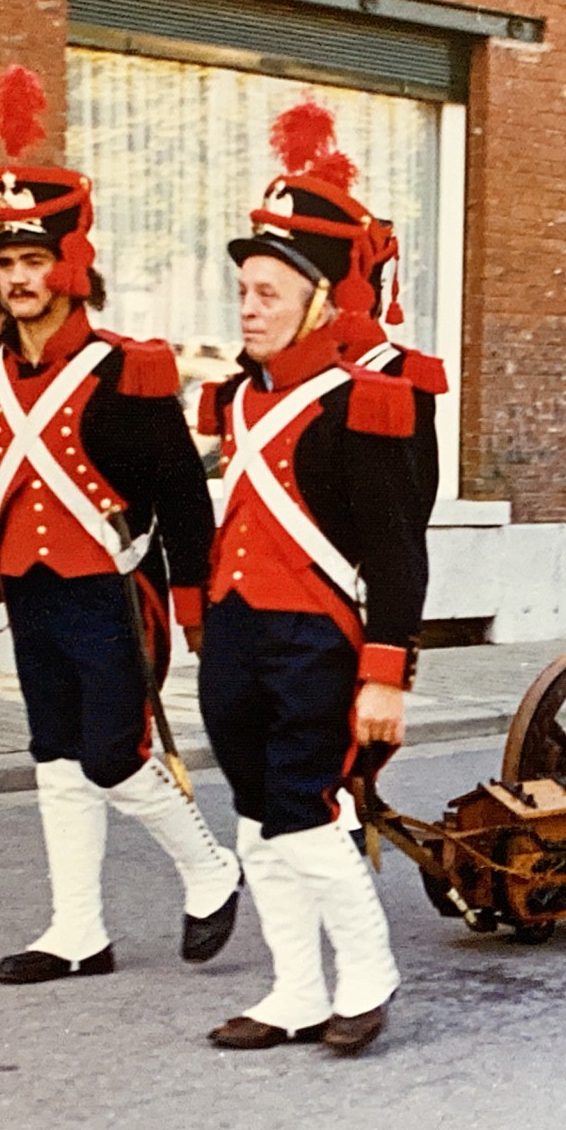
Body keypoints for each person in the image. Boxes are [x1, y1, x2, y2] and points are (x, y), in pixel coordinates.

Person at [0, 65, 238, 985]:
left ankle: (209, 868)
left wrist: (192, 600)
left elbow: (183, 496)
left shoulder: (123, 371)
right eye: (6, 264)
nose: (18, 279)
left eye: (33, 261)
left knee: (113, 753)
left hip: (111, 589)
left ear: (70, 263)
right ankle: (75, 932)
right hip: (28, 586)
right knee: (53, 752)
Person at [195, 100, 445, 1055]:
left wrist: (388, 670)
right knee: (259, 815)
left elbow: (396, 548)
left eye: (267, 292)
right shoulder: (240, 394)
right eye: (245, 291)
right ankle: (294, 990)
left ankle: (368, 976)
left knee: (306, 811)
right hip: (239, 632)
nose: (249, 307)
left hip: (319, 639)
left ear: (320, 296)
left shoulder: (377, 396)